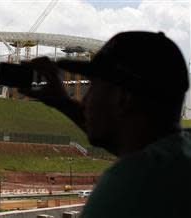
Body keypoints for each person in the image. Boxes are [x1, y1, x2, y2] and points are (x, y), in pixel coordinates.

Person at [19, 31, 191, 217]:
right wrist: (62, 102)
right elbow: (128, 142)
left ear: (123, 98)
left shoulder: (132, 185)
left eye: (93, 87)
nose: (84, 101)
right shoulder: (179, 157)